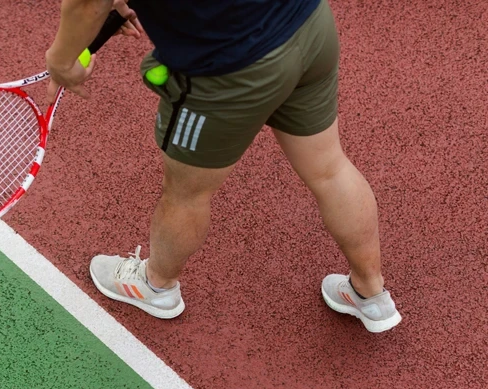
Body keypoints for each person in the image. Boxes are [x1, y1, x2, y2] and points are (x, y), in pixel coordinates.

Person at [45, 0, 402, 333]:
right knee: (329, 168)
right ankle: (370, 294)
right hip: (307, 25)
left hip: (227, 68)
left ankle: (157, 286)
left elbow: (86, 3)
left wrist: (62, 61)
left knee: (186, 194)